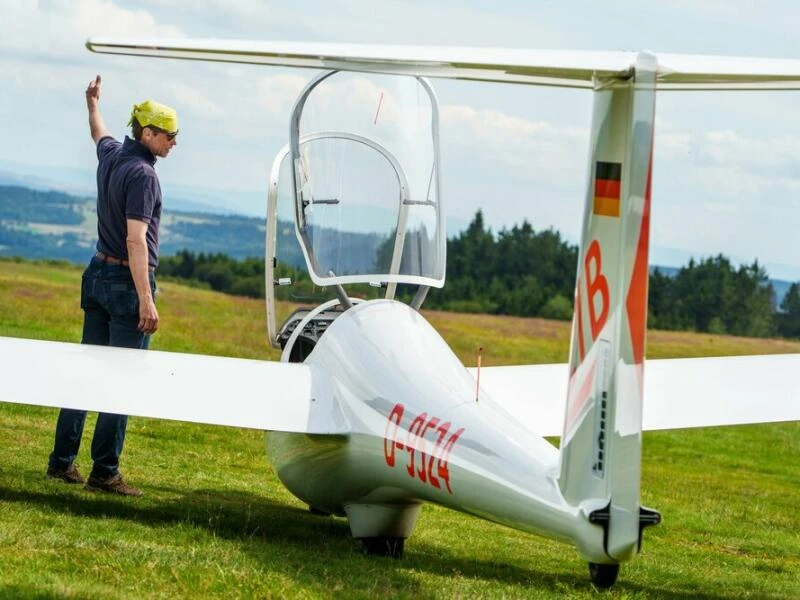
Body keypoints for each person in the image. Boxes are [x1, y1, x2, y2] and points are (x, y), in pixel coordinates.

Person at [45, 75, 178, 497]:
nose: (174, 143)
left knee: (86, 372)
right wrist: (146, 300)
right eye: (170, 136)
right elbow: (136, 239)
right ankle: (105, 471)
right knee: (122, 380)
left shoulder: (113, 156)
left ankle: (61, 463)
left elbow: (98, 133)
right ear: (149, 132)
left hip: (97, 275)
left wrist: (92, 104)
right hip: (124, 281)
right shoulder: (143, 175)